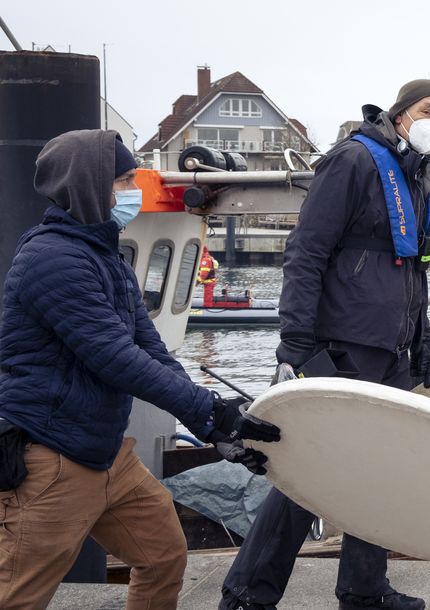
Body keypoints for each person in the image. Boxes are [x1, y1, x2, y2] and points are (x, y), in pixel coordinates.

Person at [0, 130, 279, 609]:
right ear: (90, 186)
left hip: (108, 452)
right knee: (18, 595)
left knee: (163, 557)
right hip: (53, 455)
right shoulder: (52, 259)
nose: (134, 190)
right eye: (125, 179)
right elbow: (114, 357)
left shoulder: (105, 255)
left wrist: (213, 424)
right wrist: (212, 414)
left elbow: (150, 348)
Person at [219, 80, 430, 610]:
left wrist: (420, 340)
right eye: (426, 110)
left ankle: (365, 589)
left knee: (378, 469)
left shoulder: (423, 176)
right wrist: (296, 342)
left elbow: (413, 269)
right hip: (343, 343)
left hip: (392, 350)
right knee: (313, 470)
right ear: (399, 114)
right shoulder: (352, 161)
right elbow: (306, 252)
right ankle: (247, 595)